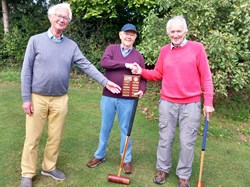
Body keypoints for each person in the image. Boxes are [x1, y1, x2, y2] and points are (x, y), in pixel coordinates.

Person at [20, 3, 121, 187]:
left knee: (55, 137)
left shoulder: (71, 46)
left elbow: (87, 66)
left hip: (60, 99)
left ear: (68, 22)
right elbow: (26, 71)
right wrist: (26, 99)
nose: (61, 19)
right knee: (32, 138)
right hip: (37, 97)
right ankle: (27, 174)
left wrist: (105, 81)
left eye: (65, 18)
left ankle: (48, 167)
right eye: (58, 16)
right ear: (50, 17)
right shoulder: (35, 40)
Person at [126, 16, 215, 187]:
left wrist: (208, 101)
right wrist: (141, 71)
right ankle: (162, 169)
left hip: (191, 104)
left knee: (187, 142)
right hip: (167, 102)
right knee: (165, 138)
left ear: (185, 32)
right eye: (172, 31)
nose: (175, 34)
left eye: (178, 31)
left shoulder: (197, 49)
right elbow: (158, 73)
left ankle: (184, 175)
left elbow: (206, 78)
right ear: (168, 33)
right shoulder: (164, 51)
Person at [86, 23, 147, 174]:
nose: (129, 36)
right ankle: (100, 155)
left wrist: (142, 89)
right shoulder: (111, 49)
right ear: (121, 35)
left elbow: (143, 77)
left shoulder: (138, 56)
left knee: (126, 129)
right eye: (126, 33)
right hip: (108, 96)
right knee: (105, 127)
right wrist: (125, 64)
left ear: (135, 37)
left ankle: (126, 159)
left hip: (128, 99)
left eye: (132, 34)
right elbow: (104, 62)